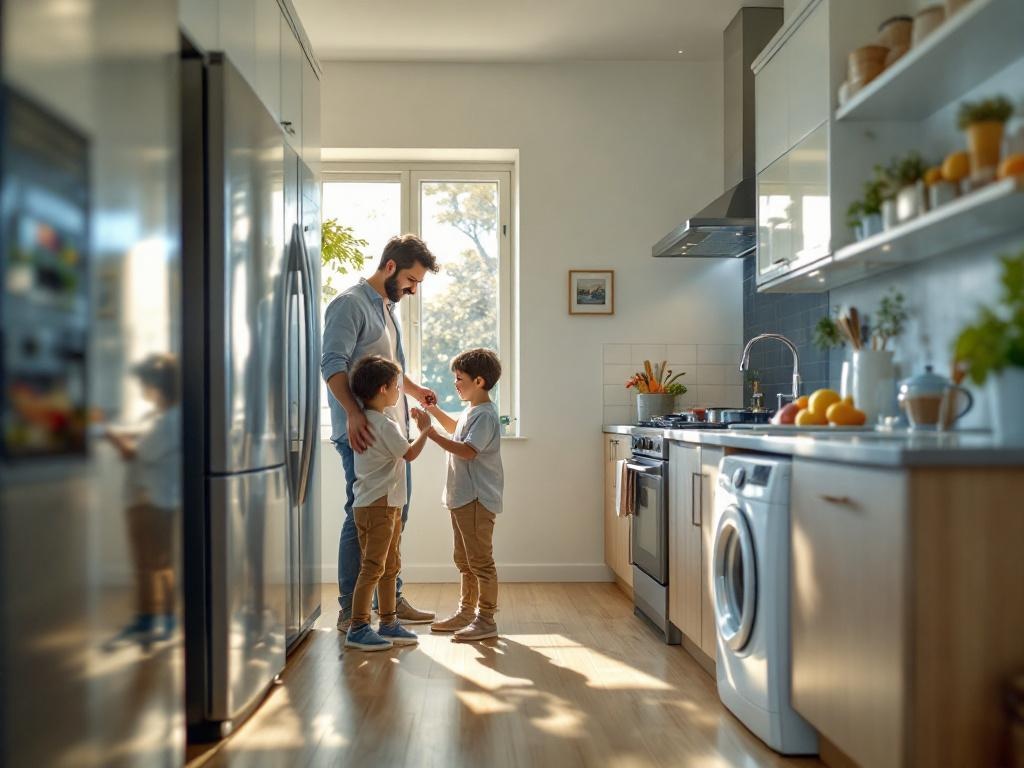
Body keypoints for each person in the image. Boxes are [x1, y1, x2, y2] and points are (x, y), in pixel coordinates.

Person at [321, 234, 440, 631]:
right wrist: (354, 413)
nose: (413, 289)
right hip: (362, 434)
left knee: (393, 516)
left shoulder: (387, 308)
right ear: (390, 267)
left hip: (391, 434)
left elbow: (391, 371)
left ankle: (389, 600)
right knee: (362, 517)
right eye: (411, 280)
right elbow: (332, 364)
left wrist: (415, 390)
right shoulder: (350, 304)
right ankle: (349, 610)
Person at [344, 355, 434, 651]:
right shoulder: (384, 424)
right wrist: (425, 430)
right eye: (397, 386)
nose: (399, 392)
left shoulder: (367, 421)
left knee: (390, 565)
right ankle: (358, 627)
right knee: (373, 566)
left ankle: (388, 622)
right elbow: (409, 454)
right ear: (383, 389)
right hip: (379, 506)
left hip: (384, 504)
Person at [423, 349, 504, 642]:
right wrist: (433, 411)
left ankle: (486, 618)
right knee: (465, 560)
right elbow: (455, 430)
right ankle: (466, 612)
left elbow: (469, 451)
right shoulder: (472, 411)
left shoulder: (485, 416)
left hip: (477, 499)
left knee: (480, 561)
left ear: (479, 381)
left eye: (459, 379)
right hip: (462, 498)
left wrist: (431, 435)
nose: (455, 384)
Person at [103, 353, 181, 650]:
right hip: (153, 499)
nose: (142, 390)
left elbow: (138, 453)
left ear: (158, 386)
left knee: (151, 563)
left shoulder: (168, 420)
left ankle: (155, 619)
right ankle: (153, 618)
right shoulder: (164, 418)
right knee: (154, 563)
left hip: (151, 500)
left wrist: (110, 435)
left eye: (145, 384)